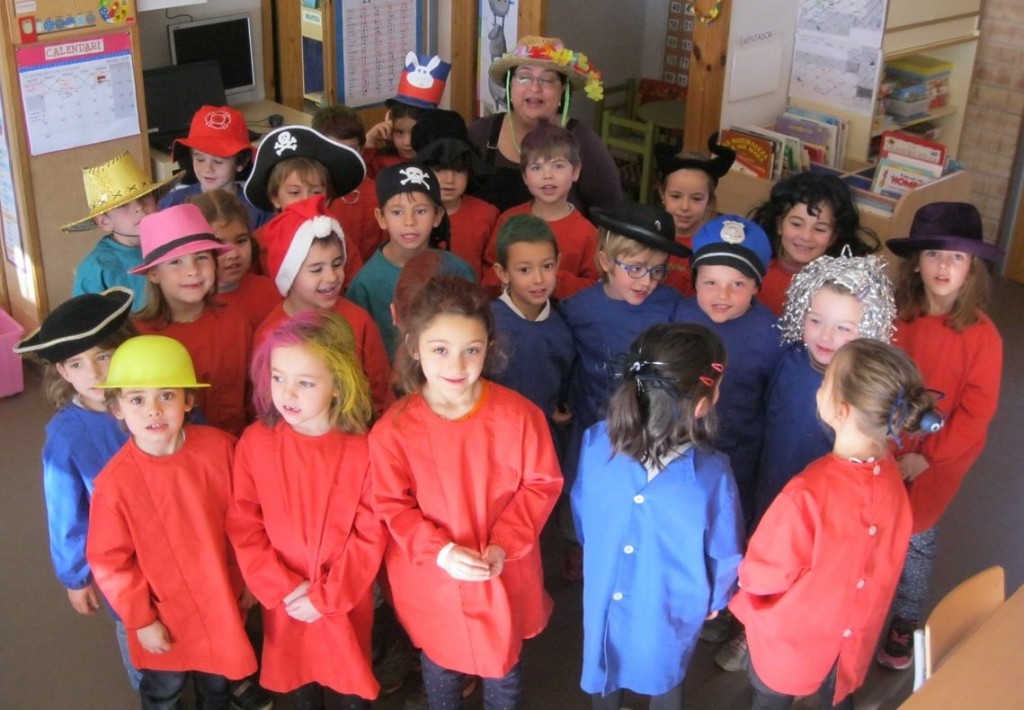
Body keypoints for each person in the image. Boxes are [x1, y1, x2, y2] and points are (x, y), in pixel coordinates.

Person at [370, 275, 562, 709]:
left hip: (502, 568)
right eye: (440, 350)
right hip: (433, 578)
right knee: (440, 662)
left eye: (471, 350)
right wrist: (439, 551)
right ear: (414, 346)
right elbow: (391, 506)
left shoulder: (520, 416)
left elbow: (540, 484)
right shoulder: (393, 431)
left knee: (503, 664)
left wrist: (504, 543)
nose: (456, 366)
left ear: (488, 348)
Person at [717, 250, 896, 673]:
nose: (826, 335)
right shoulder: (789, 359)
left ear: (869, 327)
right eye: (816, 320)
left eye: (844, 327)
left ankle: (761, 633)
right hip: (773, 480)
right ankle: (745, 615)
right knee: (762, 550)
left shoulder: (861, 385)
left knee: (801, 570)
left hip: (822, 505)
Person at [730, 339, 934, 709]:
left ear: (840, 409)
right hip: (850, 645)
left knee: (769, 700)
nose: (820, 386)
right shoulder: (893, 479)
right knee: (837, 699)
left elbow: (760, 577)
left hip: (789, 648)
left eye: (825, 381)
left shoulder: (806, 494)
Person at [572, 323, 743, 710]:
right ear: (702, 405)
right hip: (670, 606)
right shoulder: (712, 475)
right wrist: (716, 598)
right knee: (665, 674)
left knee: (604, 662)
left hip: (603, 588)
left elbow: (582, 511)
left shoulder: (596, 442)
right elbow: (724, 552)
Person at [86, 335, 258, 708]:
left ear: (188, 400)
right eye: (137, 399)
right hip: (163, 613)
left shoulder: (221, 449)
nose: (154, 411)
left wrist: (248, 576)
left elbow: (247, 519)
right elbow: (111, 562)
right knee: (165, 688)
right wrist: (141, 619)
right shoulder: (114, 485)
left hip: (221, 597)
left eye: (166, 395)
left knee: (218, 682)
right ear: (116, 408)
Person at [228, 311, 386, 709]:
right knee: (301, 682)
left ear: (339, 384)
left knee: (351, 683)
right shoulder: (255, 443)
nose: (288, 393)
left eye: (305, 382)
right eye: (278, 377)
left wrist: (327, 597)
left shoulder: (365, 450)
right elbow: (244, 525)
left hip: (342, 599)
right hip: (288, 600)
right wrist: (283, 587)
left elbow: (370, 535)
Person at [876, 202, 1004, 671]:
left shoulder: (983, 337)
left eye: (956, 257)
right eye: (933, 254)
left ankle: (905, 618)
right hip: (880, 448)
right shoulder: (893, 318)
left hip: (936, 463)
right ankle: (863, 605)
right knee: (872, 528)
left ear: (972, 268)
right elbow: (873, 379)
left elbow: (975, 414)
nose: (943, 266)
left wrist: (928, 457)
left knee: (917, 539)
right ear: (916, 263)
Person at [13, 288, 140, 688]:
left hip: (178, 542)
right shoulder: (66, 436)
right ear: (63, 372)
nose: (96, 374)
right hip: (123, 558)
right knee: (134, 625)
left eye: (104, 356)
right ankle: (148, 686)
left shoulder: (156, 400)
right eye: (77, 363)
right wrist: (76, 577)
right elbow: (66, 515)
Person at [674, 215, 779, 527]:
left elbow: (773, 405)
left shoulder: (773, 336)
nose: (722, 295)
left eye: (738, 284)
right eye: (711, 283)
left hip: (738, 458)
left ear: (757, 286)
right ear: (694, 281)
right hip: (680, 450)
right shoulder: (679, 316)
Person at [561, 201, 688, 455]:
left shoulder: (674, 308)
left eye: (657, 270)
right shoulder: (577, 310)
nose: (646, 281)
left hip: (652, 438)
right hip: (594, 436)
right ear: (606, 261)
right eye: (636, 268)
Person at [253, 195, 393, 418]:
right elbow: (265, 406)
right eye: (316, 269)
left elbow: (381, 393)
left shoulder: (359, 322)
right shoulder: (268, 334)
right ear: (289, 275)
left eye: (337, 264)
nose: (332, 277)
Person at [131, 204, 252, 436]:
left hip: (235, 443)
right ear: (154, 273)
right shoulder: (139, 336)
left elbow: (249, 393)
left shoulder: (235, 322)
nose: (193, 270)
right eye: (176, 261)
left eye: (201, 257)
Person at [469, 35, 621, 216]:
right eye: (524, 77)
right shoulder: (480, 134)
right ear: (510, 85)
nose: (535, 88)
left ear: (562, 90)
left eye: (547, 79)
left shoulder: (585, 142)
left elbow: (611, 213)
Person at [346, 162, 477, 362]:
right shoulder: (365, 285)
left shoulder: (459, 270)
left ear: (437, 215)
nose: (409, 221)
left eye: (420, 211)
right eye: (397, 212)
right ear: (381, 217)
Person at [482, 123, 601, 299]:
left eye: (558, 166)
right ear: (524, 176)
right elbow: (491, 268)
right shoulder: (508, 219)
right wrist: (510, 282)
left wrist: (554, 280)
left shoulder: (587, 233)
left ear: (575, 171)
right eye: (536, 167)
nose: (547, 175)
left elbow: (595, 287)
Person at [491, 214, 576, 446]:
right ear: (503, 273)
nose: (538, 279)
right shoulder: (487, 324)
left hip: (543, 440)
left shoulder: (562, 329)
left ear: (558, 262)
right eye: (524, 270)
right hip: (494, 438)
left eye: (547, 266)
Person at [244, 125, 367, 286]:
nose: (306, 201)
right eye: (294, 192)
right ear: (275, 198)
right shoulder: (259, 242)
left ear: (328, 198)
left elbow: (354, 285)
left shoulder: (338, 236)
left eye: (316, 192)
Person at [749, 171, 880, 315]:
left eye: (820, 229)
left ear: (834, 236)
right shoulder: (751, 272)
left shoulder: (845, 290)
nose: (806, 236)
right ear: (779, 224)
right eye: (796, 224)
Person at [64, 151, 178, 310]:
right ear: (104, 221)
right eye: (123, 205)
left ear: (156, 201)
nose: (139, 207)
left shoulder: (176, 241)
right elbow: (86, 319)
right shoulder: (95, 269)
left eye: (145, 196)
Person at [414, 110, 498, 279]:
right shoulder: (408, 213)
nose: (449, 180)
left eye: (459, 170)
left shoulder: (486, 214)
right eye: (439, 169)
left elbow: (493, 267)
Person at [159, 105, 272, 230]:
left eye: (218, 161)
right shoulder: (173, 203)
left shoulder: (258, 209)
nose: (208, 169)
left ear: (241, 163)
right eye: (200, 159)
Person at [653, 135, 736, 296]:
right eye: (676, 196)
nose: (685, 207)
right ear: (662, 194)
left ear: (709, 201)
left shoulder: (714, 246)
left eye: (696, 199)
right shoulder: (649, 235)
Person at [188, 189, 282, 329]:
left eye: (241, 241)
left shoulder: (270, 291)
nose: (233, 254)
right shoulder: (187, 304)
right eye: (219, 244)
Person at [312, 104, 385, 264]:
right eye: (333, 149)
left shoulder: (377, 195)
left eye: (351, 150)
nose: (342, 158)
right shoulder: (305, 193)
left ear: (361, 150)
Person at [364, 51, 452, 177]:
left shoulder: (440, 166)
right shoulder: (381, 161)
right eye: (399, 132)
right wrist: (369, 140)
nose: (407, 142)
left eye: (416, 133)